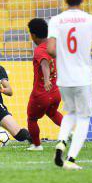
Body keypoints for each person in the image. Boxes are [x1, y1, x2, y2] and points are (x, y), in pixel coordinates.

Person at [47, 0, 92, 170]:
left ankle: (61, 141)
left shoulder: (56, 20)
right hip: (84, 77)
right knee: (83, 117)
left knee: (71, 113)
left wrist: (65, 56)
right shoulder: (91, 20)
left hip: (64, 77)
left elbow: (50, 49)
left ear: (65, 0)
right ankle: (71, 159)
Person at [25, 18, 63, 151]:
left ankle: (36, 145)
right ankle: (69, 132)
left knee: (32, 118)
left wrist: (46, 80)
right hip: (56, 92)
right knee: (52, 113)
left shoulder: (39, 50)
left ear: (33, 35)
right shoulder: (53, 45)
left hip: (42, 93)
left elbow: (44, 62)